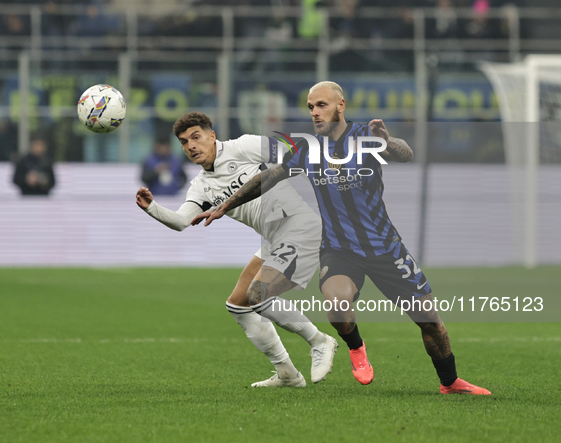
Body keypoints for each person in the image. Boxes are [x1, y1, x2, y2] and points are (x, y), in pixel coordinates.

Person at [193, 82, 491, 395]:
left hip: (385, 249)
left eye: (321, 105)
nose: (315, 112)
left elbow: (404, 153)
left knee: (430, 322)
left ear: (341, 105)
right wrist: (224, 205)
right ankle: (356, 348)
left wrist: (387, 141)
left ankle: (450, 383)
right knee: (337, 305)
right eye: (310, 107)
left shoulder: (364, 137)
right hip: (339, 250)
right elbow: (268, 177)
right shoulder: (308, 148)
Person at [135, 112, 338, 387]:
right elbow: (182, 221)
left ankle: (320, 341)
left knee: (258, 296)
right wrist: (152, 208)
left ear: (212, 135)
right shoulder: (201, 186)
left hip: (298, 227)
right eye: (184, 142)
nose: (191, 146)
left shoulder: (244, 146)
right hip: (272, 239)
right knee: (238, 305)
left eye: (196, 137)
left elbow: (292, 151)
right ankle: (287, 373)